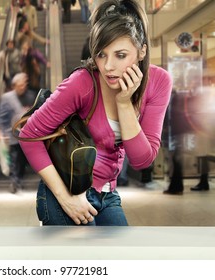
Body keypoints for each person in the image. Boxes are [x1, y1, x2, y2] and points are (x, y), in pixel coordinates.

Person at [18, 0, 172, 226]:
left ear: (142, 52)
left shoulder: (158, 82)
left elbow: (142, 161)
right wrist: (66, 198)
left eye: (120, 55)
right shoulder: (82, 83)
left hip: (107, 193)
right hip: (65, 187)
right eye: (101, 54)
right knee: (84, 259)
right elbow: (29, 135)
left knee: (120, 257)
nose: (108, 66)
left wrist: (124, 103)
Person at [0, 73, 33, 193]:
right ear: (14, 85)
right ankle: (14, 182)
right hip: (13, 135)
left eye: (24, 84)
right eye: (20, 84)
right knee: (14, 159)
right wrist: (4, 132)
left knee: (22, 161)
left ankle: (19, 180)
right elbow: (2, 117)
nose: (23, 87)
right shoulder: (7, 98)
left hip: (27, 135)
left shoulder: (30, 96)